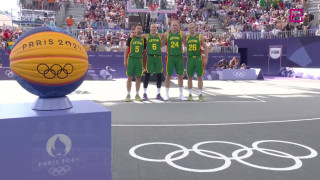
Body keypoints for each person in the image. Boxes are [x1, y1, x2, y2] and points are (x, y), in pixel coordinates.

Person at [162, 20, 186, 101]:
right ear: (170, 26)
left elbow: (186, 44)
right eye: (173, 25)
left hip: (179, 56)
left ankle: (181, 94)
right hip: (170, 56)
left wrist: (185, 37)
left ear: (178, 26)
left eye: (176, 25)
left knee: (180, 75)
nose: (175, 27)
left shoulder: (181, 33)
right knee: (168, 76)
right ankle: (167, 94)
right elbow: (162, 44)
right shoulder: (167, 34)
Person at [184, 23, 208, 102]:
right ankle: (190, 94)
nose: (191, 29)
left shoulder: (199, 37)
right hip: (190, 58)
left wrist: (206, 58)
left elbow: (206, 47)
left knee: (199, 77)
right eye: (190, 28)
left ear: (195, 28)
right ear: (188, 29)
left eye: (192, 27)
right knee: (189, 77)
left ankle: (200, 94)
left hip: (198, 58)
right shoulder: (187, 37)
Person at [124, 24, 147, 102]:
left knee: (138, 78)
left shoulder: (143, 39)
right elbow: (126, 50)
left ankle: (137, 94)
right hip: (131, 59)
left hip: (139, 60)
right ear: (135, 29)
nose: (139, 29)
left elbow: (146, 50)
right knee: (129, 77)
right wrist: (125, 60)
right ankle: (128, 94)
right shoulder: (131, 38)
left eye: (140, 28)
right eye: (138, 28)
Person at [142, 24, 165, 101]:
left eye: (155, 27)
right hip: (150, 57)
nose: (154, 28)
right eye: (153, 27)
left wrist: (161, 44)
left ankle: (158, 93)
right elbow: (138, 35)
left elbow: (167, 35)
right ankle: (144, 93)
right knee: (147, 75)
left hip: (158, 57)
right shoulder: (146, 36)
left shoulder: (160, 35)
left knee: (159, 75)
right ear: (150, 28)